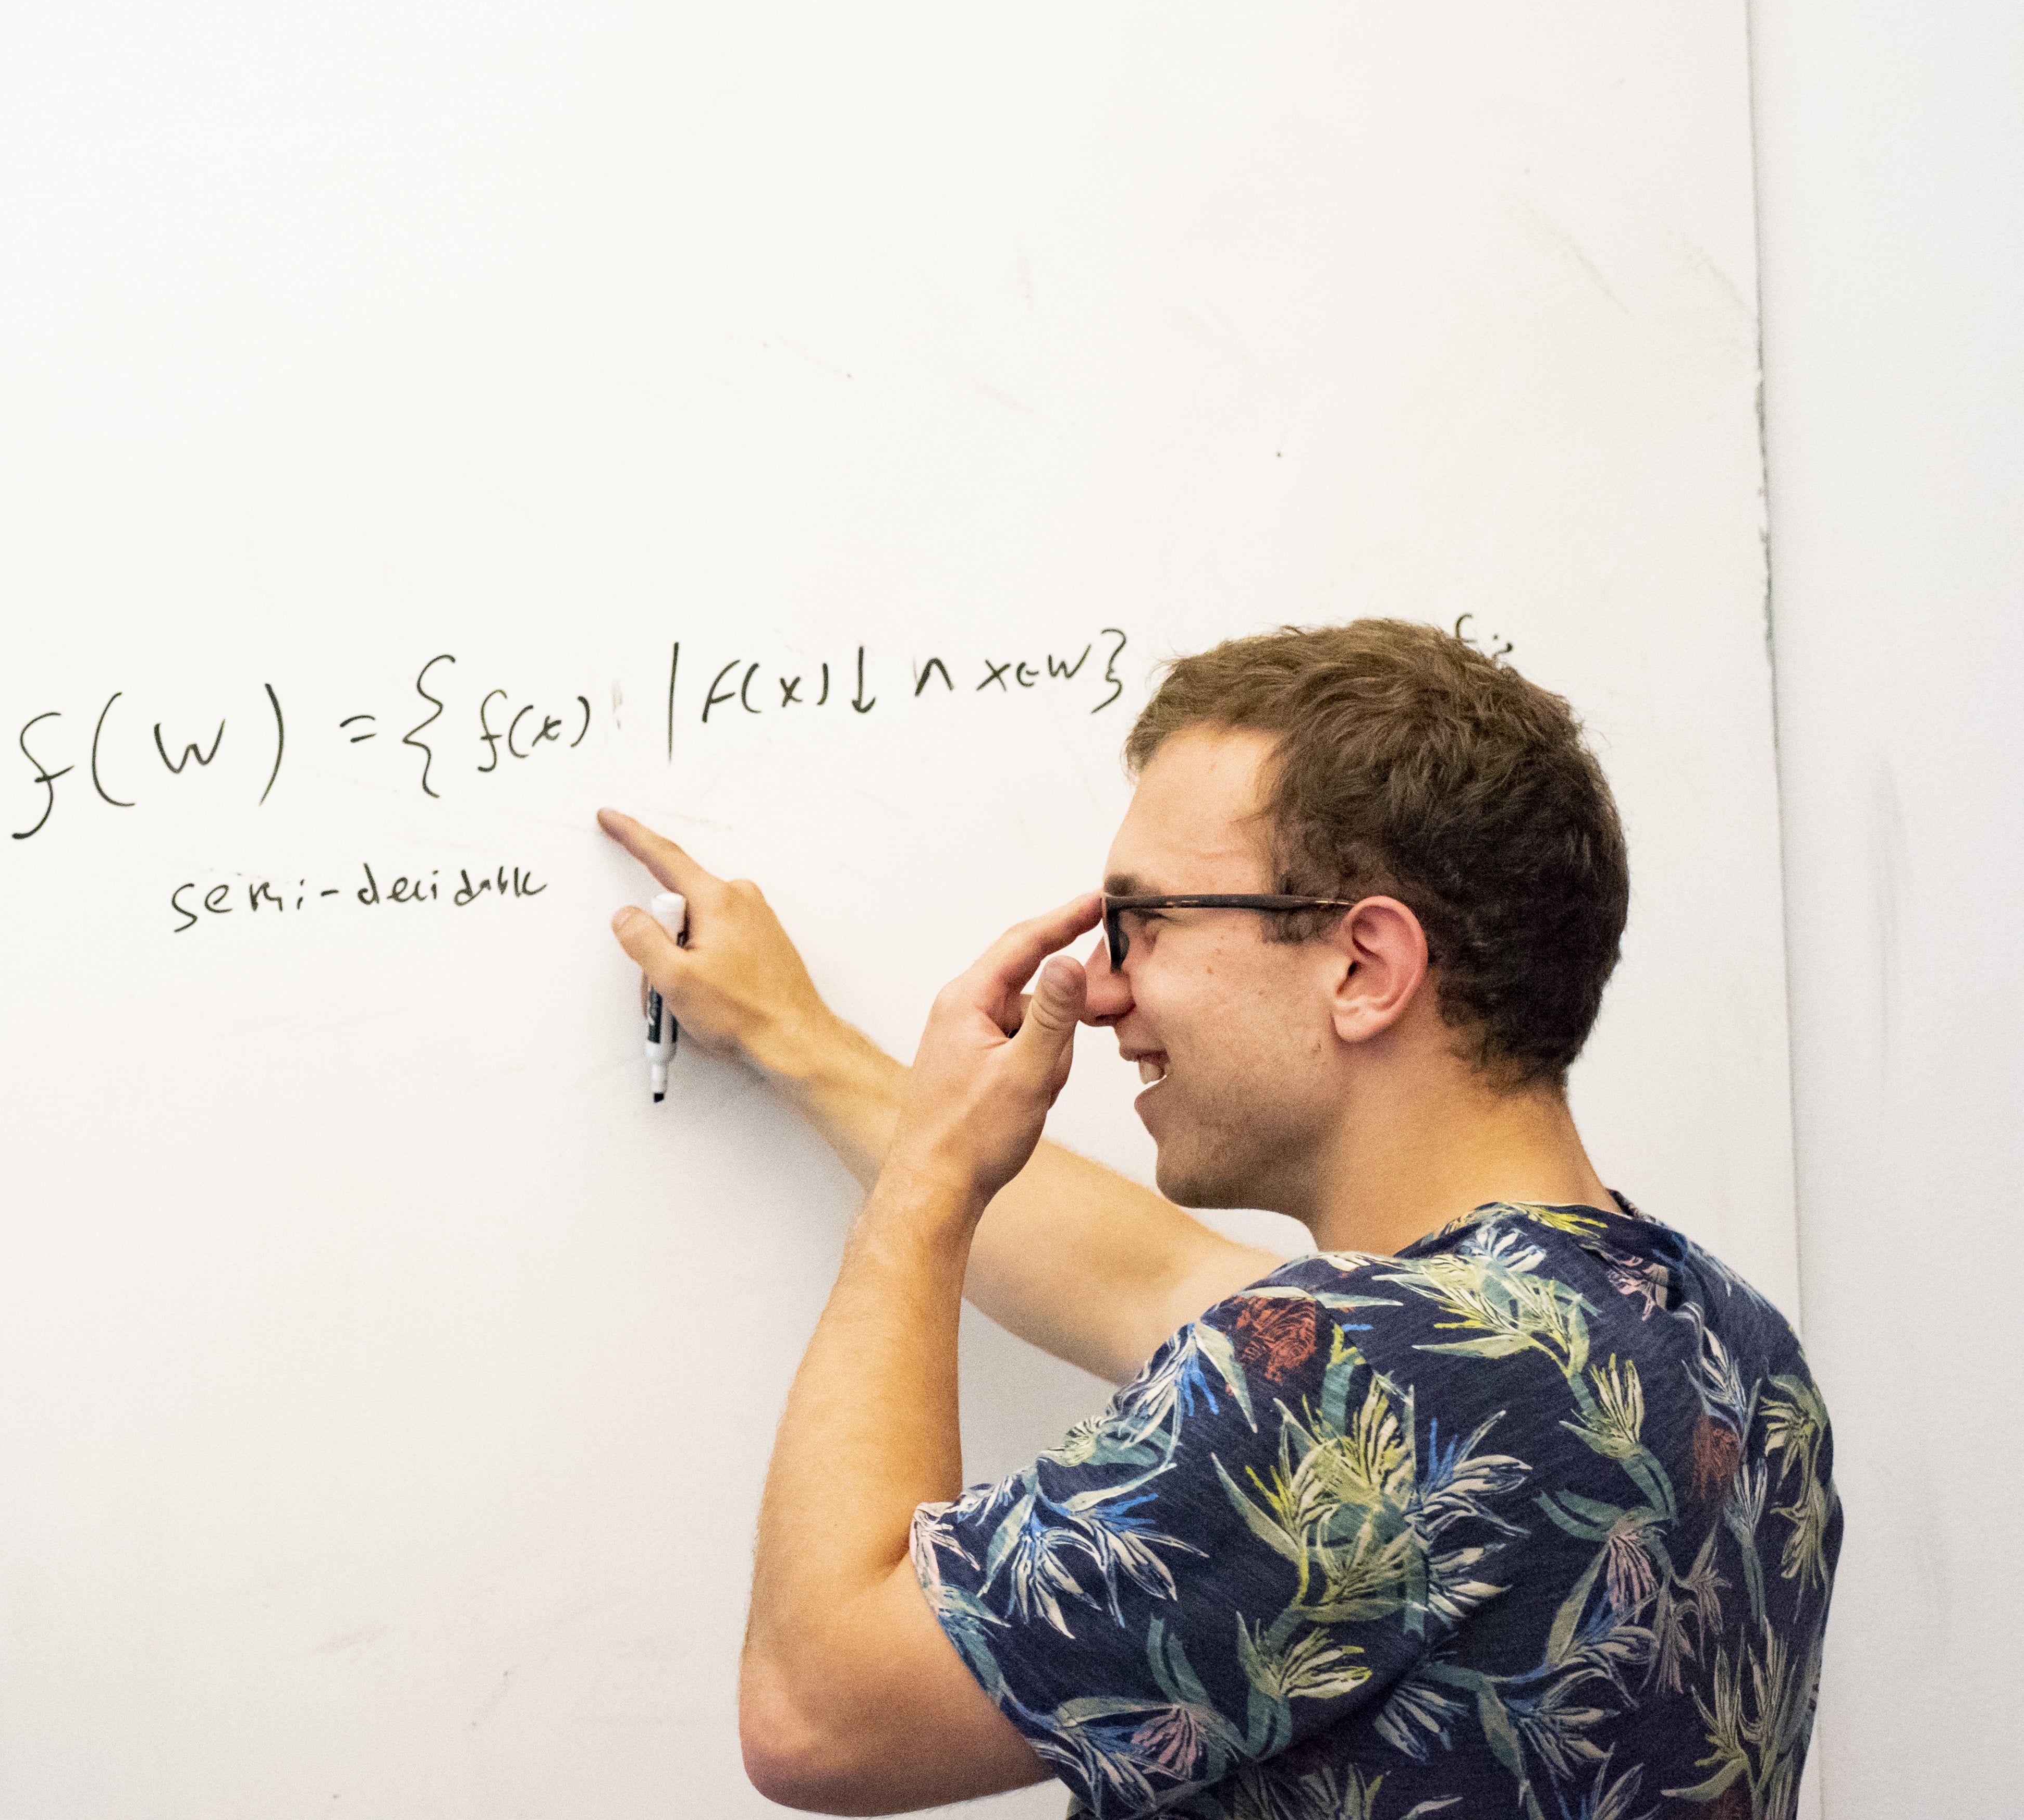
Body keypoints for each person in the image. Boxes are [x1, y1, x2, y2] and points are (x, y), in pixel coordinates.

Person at [602, 618, 1836, 1818]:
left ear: (1364, 967)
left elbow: (821, 1712)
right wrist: (806, 1045)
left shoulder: (1355, 1385)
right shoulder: (1720, 1348)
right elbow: (1146, 1278)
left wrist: (927, 1187)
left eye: (1142, 922)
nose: (1102, 987)